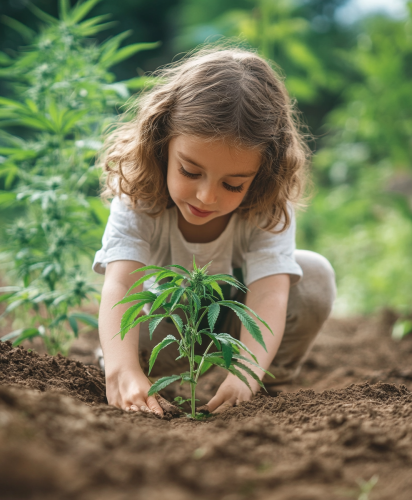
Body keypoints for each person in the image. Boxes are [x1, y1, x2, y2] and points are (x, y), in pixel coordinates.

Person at [93, 46, 336, 416]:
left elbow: (270, 291)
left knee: (314, 274)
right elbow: (122, 285)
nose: (207, 197)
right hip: (164, 321)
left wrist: (247, 372)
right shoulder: (140, 194)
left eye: (233, 185)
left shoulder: (268, 204)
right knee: (126, 349)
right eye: (191, 172)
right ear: (162, 144)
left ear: (262, 175)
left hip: (236, 318)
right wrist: (121, 368)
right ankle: (135, 375)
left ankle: (263, 385)